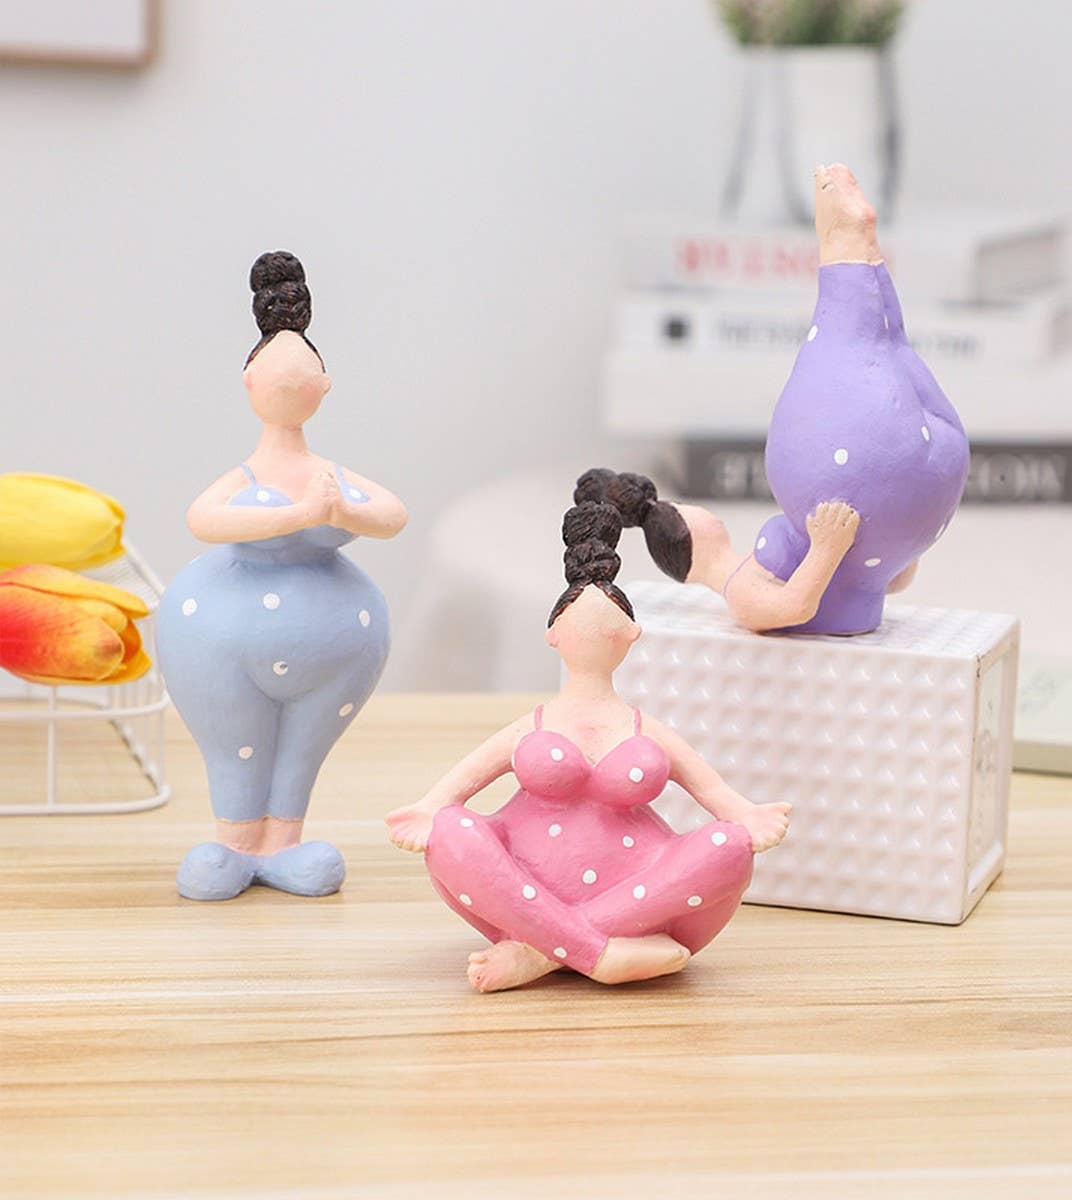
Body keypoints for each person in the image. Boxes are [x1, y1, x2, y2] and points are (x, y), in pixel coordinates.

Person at [385, 498, 790, 992]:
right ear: (553, 635)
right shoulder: (533, 723)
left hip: (646, 898)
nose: (593, 632)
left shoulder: (644, 727)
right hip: (514, 893)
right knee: (450, 831)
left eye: (607, 625)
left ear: (631, 635)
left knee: (730, 846)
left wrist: (747, 814)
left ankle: (542, 952)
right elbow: (465, 778)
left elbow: (713, 791)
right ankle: (596, 955)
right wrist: (428, 809)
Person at [592, 163, 969, 635]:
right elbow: (796, 607)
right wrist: (839, 547)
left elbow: (896, 582)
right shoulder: (745, 587)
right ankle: (846, 243)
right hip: (885, 480)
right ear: (687, 557)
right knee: (863, 344)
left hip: (905, 493)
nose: (711, 522)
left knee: (875, 344)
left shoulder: (775, 550)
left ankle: (852, 245)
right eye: (690, 519)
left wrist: (900, 536)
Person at [157, 251, 407, 901]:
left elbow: (393, 514)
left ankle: (284, 843)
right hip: (222, 635)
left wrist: (341, 511)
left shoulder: (329, 476)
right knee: (234, 736)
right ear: (249, 385)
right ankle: (236, 841)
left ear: (323, 388)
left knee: (301, 747)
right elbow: (203, 519)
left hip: (337, 643)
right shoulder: (252, 477)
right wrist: (300, 515)